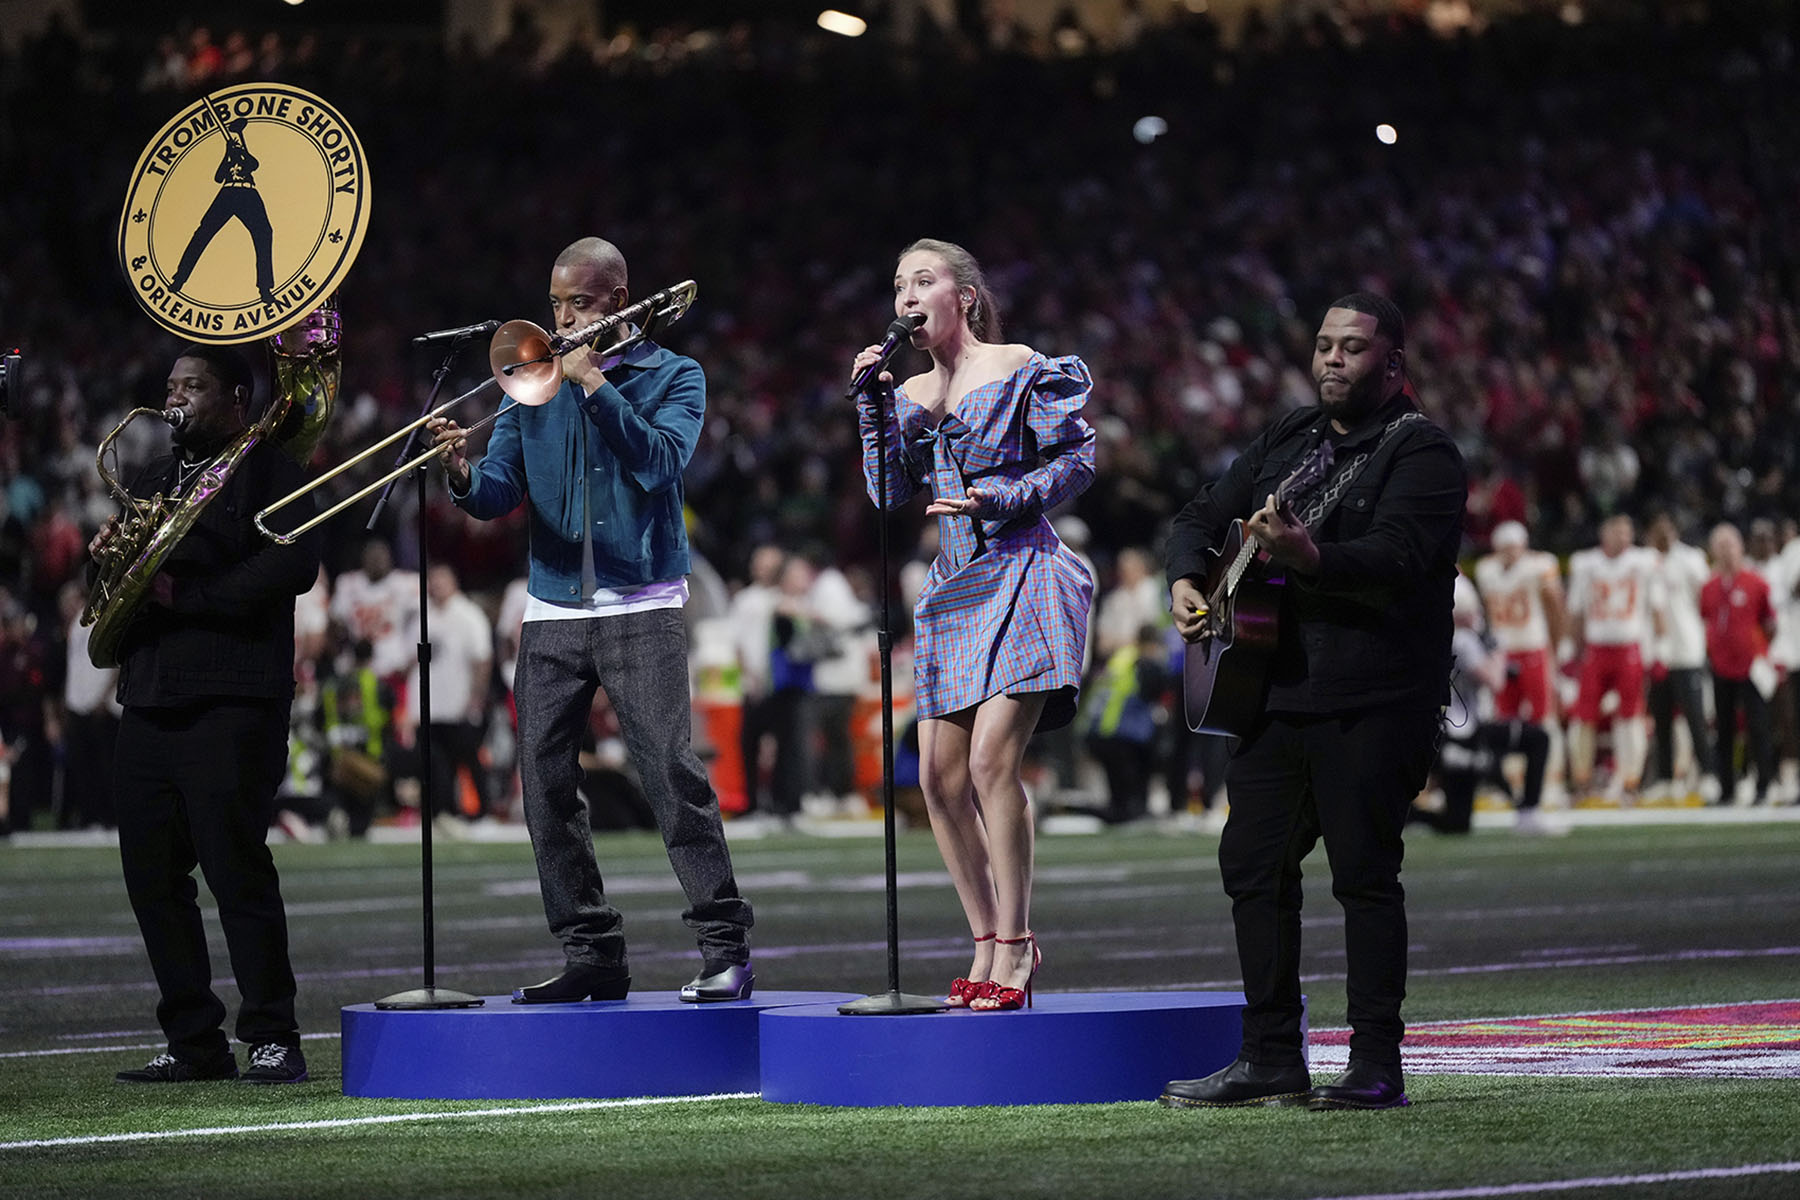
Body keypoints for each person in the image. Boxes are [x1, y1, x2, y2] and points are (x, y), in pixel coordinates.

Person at [1159, 293, 1466, 1110]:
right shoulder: (1289, 436)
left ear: (1392, 363)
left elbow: (1399, 556)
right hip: (1271, 693)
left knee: (1364, 876)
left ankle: (1375, 1064)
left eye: (1353, 348)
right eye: (1325, 345)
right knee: (1251, 868)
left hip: (1374, 696)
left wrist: (1311, 556)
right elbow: (1199, 515)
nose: (1333, 359)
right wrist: (1189, 579)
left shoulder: (1422, 451)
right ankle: (1271, 1056)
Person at [428, 236, 754, 1003]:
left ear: (616, 299)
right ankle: (591, 953)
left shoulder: (674, 375)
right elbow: (501, 489)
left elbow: (661, 462)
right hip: (551, 606)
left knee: (670, 774)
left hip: (639, 600)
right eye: (555, 303)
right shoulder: (528, 386)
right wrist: (463, 474)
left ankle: (724, 948)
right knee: (541, 780)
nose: (561, 317)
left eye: (577, 302)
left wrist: (596, 386)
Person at [851, 237, 1096, 1012]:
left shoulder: (1019, 364)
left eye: (924, 281)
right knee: (936, 778)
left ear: (964, 296)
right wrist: (870, 403)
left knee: (993, 763)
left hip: (1024, 569)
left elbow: (1079, 460)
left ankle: (1018, 945)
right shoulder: (910, 391)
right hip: (953, 589)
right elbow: (886, 488)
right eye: (898, 285)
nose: (907, 296)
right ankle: (984, 938)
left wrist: (1001, 497)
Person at [95, 340, 320, 1084]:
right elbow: (124, 587)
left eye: (193, 385)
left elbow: (295, 562)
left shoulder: (267, 466)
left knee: (236, 869)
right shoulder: (155, 476)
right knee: (151, 878)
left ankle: (272, 1033)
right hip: (152, 696)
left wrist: (190, 597)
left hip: (233, 696)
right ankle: (194, 1040)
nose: (177, 398)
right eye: (171, 385)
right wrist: (109, 558)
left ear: (235, 400)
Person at [1414, 574, 1553, 835]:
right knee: (1538, 739)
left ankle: (1411, 816)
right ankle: (1528, 810)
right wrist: (1498, 651)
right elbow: (1496, 682)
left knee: (1457, 823)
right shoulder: (1462, 640)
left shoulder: (1435, 637)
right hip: (1464, 735)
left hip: (1443, 736)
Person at [1564, 515, 1663, 804]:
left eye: (1627, 531)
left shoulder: (1644, 562)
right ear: (1603, 533)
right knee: (1583, 716)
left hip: (1628, 647)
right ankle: (1581, 780)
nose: (1624, 536)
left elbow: (1656, 609)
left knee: (1630, 717)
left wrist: (1660, 648)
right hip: (1596, 648)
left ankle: (1630, 781)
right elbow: (1576, 611)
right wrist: (1571, 650)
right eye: (1618, 531)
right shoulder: (1586, 564)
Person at [1471, 520, 1567, 797]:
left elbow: (1556, 605)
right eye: (1505, 548)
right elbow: (1487, 610)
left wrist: (1556, 644)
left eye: (1515, 547)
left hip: (1533, 647)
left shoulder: (1539, 565)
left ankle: (1550, 777)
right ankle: (1510, 780)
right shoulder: (1486, 569)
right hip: (1503, 651)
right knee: (1504, 718)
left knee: (1541, 716)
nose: (1511, 553)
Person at [1700, 522, 1776, 805]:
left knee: (1758, 727)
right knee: (1724, 730)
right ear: (1713, 551)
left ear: (1740, 547)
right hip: (1721, 666)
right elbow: (1706, 619)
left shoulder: (1756, 583)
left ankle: (1764, 785)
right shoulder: (1709, 587)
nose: (1726, 552)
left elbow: (1769, 623)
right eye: (1720, 546)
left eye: (1730, 545)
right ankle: (1727, 788)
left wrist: (1760, 652)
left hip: (1750, 667)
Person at [1643, 512, 1713, 802]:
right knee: (1660, 718)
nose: (1663, 534)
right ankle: (1666, 778)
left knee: (1696, 717)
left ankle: (1708, 774)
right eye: (1657, 529)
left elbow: (1705, 599)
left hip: (1686, 648)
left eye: (1667, 528)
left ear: (1675, 530)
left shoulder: (1691, 559)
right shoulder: (1644, 562)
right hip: (1656, 653)